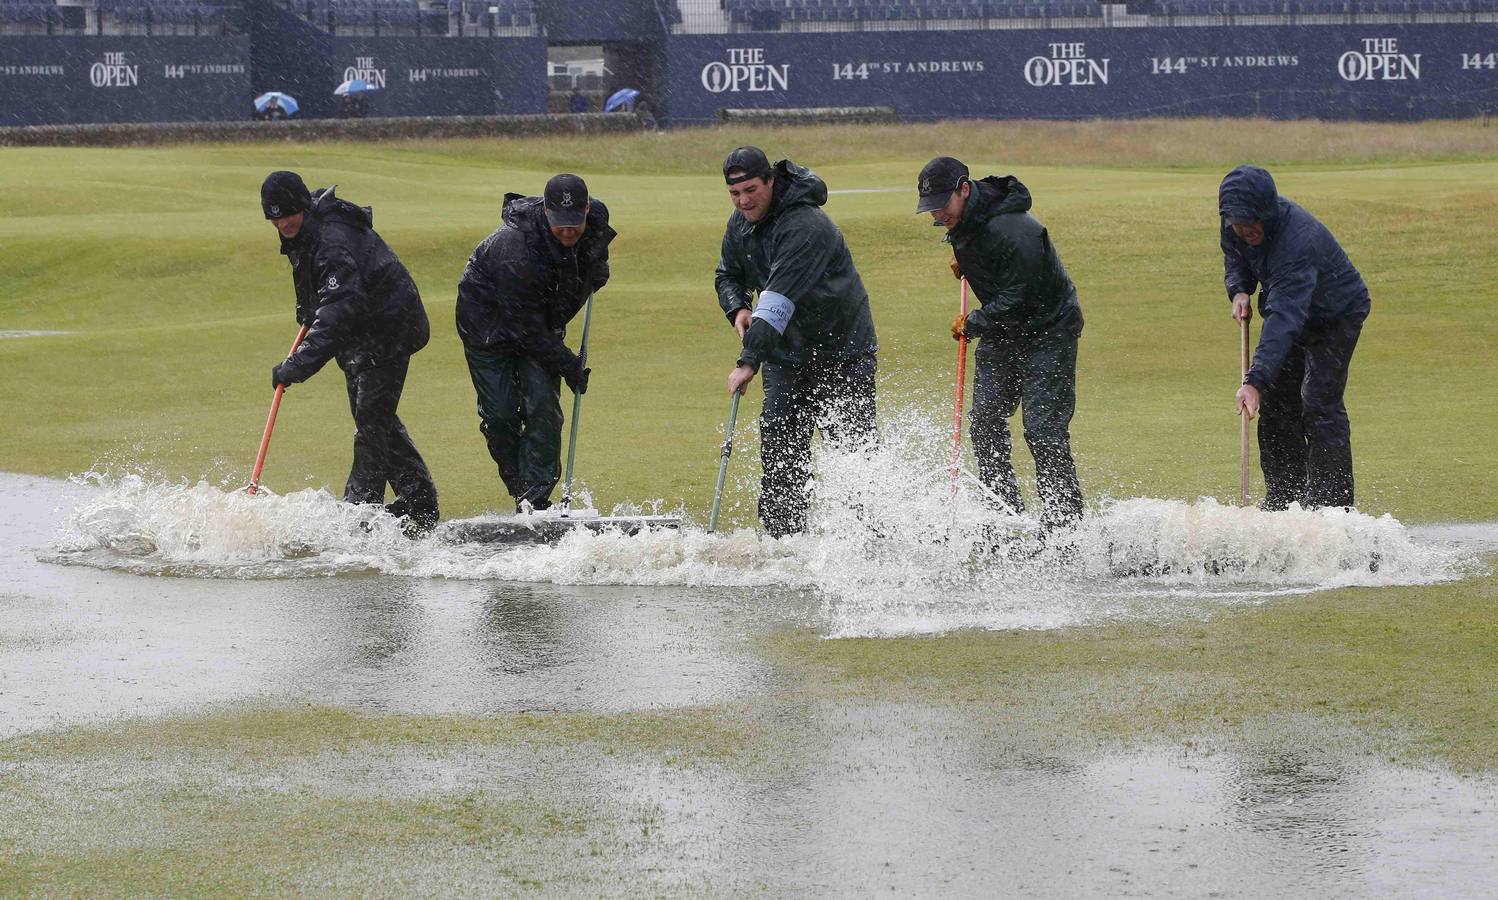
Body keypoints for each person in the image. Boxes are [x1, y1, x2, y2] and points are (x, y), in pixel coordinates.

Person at [262, 171, 439, 535]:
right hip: (364, 330)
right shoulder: (305, 231)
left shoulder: (332, 241)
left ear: (302, 207)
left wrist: (297, 365)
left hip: (389, 327)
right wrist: (308, 309)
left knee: (371, 424)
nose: (283, 224)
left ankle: (359, 517)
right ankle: (419, 503)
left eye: (288, 215)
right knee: (374, 418)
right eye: (275, 219)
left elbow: (338, 311)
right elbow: (319, 293)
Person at [716, 146, 879, 537]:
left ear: (771, 181)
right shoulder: (741, 223)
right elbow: (728, 274)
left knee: (852, 454)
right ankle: (784, 543)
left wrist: (748, 361)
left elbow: (777, 301)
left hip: (842, 353)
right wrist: (738, 307)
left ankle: (868, 542)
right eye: (735, 194)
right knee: (781, 451)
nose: (743, 201)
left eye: (751, 190)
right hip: (787, 354)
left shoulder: (806, 225)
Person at [917, 156, 1084, 530]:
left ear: (964, 189)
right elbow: (992, 260)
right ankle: (1004, 513)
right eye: (931, 207)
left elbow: (1020, 297)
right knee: (985, 421)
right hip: (1006, 331)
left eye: (942, 204)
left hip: (1049, 329)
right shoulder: (965, 220)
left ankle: (1065, 528)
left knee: (1042, 429)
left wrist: (974, 322)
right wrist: (972, 262)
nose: (938, 213)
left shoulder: (1013, 229)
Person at [456, 174, 614, 512]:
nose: (568, 231)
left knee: (543, 409)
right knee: (501, 416)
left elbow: (586, 261)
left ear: (587, 209)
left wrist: (595, 268)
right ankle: (521, 490)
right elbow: (525, 330)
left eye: (575, 223)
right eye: (560, 224)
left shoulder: (596, 219)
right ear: (545, 212)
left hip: (537, 315)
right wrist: (568, 365)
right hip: (486, 326)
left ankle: (535, 500)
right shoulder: (514, 249)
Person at [1220, 164, 1370, 510]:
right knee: (1276, 402)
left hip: (1335, 315)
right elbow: (1235, 254)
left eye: (1251, 222)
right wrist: (1239, 289)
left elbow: (1284, 317)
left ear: (1267, 213)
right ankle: (1285, 499)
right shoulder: (1234, 222)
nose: (1245, 229)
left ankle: (1332, 508)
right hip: (1289, 309)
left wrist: (1253, 381)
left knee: (1318, 401)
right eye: (1238, 223)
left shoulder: (1298, 240)